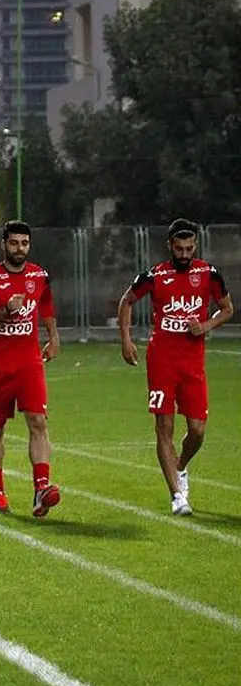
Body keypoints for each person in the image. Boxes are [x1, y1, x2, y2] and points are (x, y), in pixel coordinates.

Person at [117, 219, 233, 516]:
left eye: (189, 248)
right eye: (179, 248)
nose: (184, 254)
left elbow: (227, 309)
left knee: (197, 430)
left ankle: (180, 466)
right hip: (162, 361)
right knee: (164, 427)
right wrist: (126, 340)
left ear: (195, 246)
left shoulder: (208, 273)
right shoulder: (155, 275)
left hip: (193, 362)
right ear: (169, 245)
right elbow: (126, 301)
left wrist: (205, 325)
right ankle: (177, 496)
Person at [0, 221, 61, 517]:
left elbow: (46, 306)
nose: (19, 248)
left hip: (29, 363)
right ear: (3, 244)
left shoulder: (39, 275)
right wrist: (5, 311)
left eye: (24, 243)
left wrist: (53, 337)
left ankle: (41, 488)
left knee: (38, 422)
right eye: (14, 243)